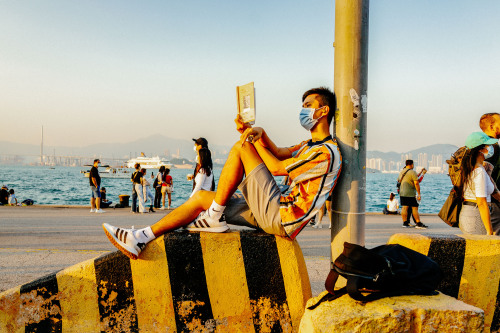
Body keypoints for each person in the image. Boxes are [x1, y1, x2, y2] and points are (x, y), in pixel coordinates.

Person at [103, 86, 342, 260]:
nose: (303, 110)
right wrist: (256, 131)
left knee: (241, 147)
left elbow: (277, 168)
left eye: (308, 106)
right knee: (200, 198)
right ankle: (141, 237)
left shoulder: (326, 152)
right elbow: (279, 152)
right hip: (272, 209)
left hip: (283, 216)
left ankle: (215, 216)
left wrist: (248, 139)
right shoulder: (307, 146)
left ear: (323, 111)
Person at [458, 132, 499, 235]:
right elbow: (481, 202)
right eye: (488, 146)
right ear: (480, 150)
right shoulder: (479, 171)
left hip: (469, 212)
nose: (490, 148)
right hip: (475, 215)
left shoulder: (471, 168)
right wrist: (489, 232)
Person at [479, 112, 500, 235]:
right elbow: (485, 175)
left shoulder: (480, 146)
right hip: (493, 203)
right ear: (491, 127)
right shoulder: (491, 148)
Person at [398, 160, 426, 228]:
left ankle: (405, 223)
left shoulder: (401, 172)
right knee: (414, 208)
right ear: (411, 164)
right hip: (410, 193)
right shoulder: (412, 172)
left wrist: (421, 172)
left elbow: (401, 180)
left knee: (404, 208)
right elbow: (416, 182)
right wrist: (419, 194)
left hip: (402, 192)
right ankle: (418, 223)